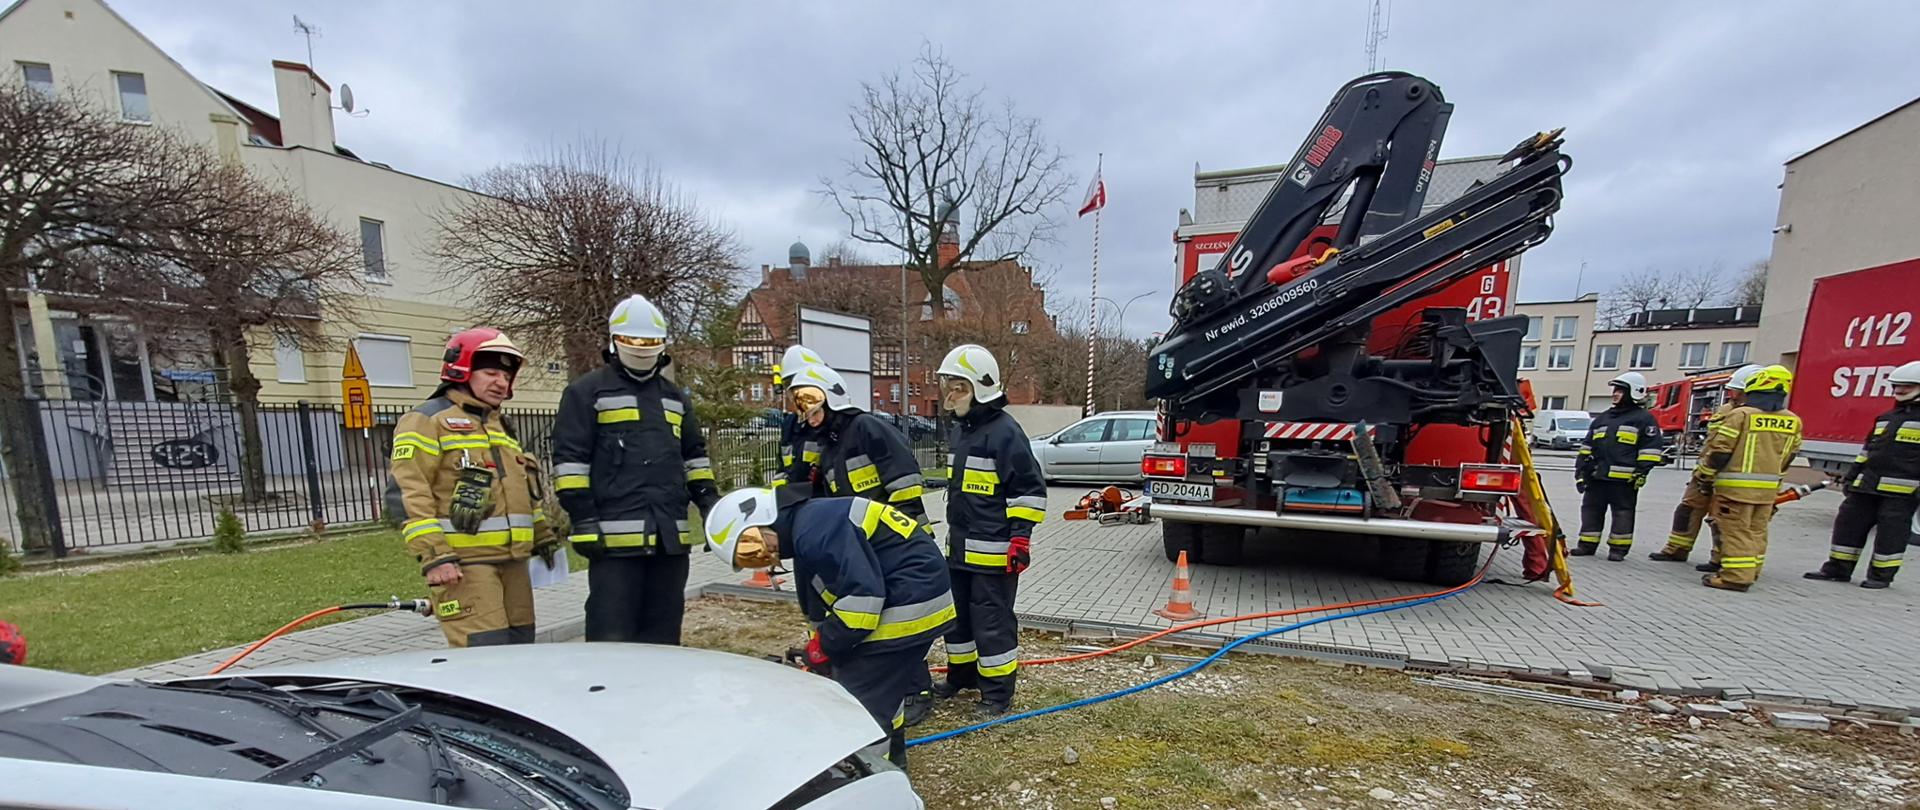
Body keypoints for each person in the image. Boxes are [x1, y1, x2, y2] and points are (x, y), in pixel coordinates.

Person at [703, 486, 956, 766]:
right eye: (748, 558)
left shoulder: (815, 531)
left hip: (908, 607)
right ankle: (893, 764)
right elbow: (825, 596)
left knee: (858, 707)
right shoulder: (808, 524)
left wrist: (826, 645)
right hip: (918, 598)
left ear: (762, 520)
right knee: (882, 692)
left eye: (753, 548)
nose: (764, 558)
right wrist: (822, 641)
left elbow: (863, 603)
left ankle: (864, 779)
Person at [551, 294, 720, 643]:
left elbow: (694, 457)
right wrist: (583, 520)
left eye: (650, 342)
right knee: (611, 633)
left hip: (669, 541)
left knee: (664, 635)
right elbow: (570, 462)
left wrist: (710, 505)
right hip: (612, 545)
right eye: (634, 341)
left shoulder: (674, 397)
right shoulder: (586, 392)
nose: (642, 349)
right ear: (614, 342)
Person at [783, 362, 936, 724]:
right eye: (800, 404)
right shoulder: (828, 445)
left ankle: (918, 690)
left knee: (903, 621)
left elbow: (906, 481)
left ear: (832, 397)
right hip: (865, 545)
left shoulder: (866, 428)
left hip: (897, 540)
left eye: (811, 401)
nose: (806, 412)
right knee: (877, 621)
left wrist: (901, 535)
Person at [387, 328, 555, 647]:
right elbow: (407, 493)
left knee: (521, 650)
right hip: (464, 566)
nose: (501, 382)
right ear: (461, 370)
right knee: (484, 656)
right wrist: (435, 556)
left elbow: (521, 489)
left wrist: (542, 535)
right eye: (491, 372)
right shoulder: (427, 420)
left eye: (506, 375)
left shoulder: (500, 427)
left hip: (514, 563)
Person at [927, 344, 1047, 718]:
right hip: (960, 551)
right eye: (950, 385)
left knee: (991, 624)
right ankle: (962, 676)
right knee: (958, 619)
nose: (950, 395)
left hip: (994, 554)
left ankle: (997, 695)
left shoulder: (1006, 433)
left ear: (981, 388)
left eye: (958, 387)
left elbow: (1028, 490)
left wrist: (1020, 539)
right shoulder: (963, 431)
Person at [1805, 360, 1920, 589]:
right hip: (1866, 486)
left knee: (1891, 534)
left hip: (1902, 493)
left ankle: (1880, 576)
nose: (1899, 390)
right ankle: (1837, 569)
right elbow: (1867, 451)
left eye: (1907, 385)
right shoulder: (1887, 418)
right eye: (1897, 385)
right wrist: (1852, 477)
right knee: (1848, 524)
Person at [1695, 365, 1801, 592]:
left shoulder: (1740, 415)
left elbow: (1720, 451)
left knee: (1735, 530)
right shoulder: (1793, 420)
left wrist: (1705, 476)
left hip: (1735, 490)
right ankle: (1751, 570)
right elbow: (1789, 456)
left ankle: (1735, 577)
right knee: (1756, 531)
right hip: (1767, 490)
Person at [1652, 364, 1764, 567]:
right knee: (1687, 510)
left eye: (1736, 389)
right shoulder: (1727, 410)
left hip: (1729, 476)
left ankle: (1720, 559)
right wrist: (1703, 472)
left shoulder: (1754, 415)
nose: (1731, 392)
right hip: (1705, 470)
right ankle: (1676, 549)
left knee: (1721, 520)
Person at [785, 364, 928, 522]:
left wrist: (896, 531)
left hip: (903, 536)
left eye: (816, 413)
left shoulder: (866, 428)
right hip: (866, 539)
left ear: (832, 403)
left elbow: (906, 485)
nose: (811, 421)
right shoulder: (829, 447)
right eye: (807, 416)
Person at [1571, 372, 1665, 561]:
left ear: (1634, 393)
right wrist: (1580, 471)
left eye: (1620, 390)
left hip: (1624, 479)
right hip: (1597, 476)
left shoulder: (1644, 419)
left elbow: (1651, 449)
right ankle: (1587, 544)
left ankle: (1618, 549)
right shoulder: (1603, 419)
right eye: (1615, 390)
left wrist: (1641, 471)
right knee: (1591, 509)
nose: (1615, 394)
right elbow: (1587, 446)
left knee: (1622, 512)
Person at [771, 345, 827, 490]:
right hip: (798, 504)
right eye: (790, 388)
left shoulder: (831, 421)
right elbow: (783, 469)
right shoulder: (790, 424)